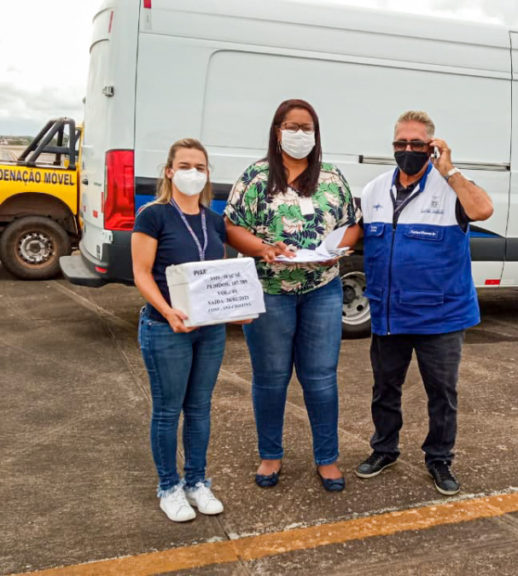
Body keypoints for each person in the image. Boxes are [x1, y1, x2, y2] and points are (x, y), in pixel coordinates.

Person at [225, 99, 361, 492]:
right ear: (277, 130)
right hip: (269, 291)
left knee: (320, 379)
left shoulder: (332, 178)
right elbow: (232, 226)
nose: (299, 134)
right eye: (292, 126)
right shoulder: (255, 177)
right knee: (270, 379)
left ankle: (328, 459)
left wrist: (338, 249)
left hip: (322, 290)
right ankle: (270, 454)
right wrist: (261, 248)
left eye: (307, 127)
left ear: (316, 134)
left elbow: (352, 226)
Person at [355, 111, 494, 496]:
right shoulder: (375, 190)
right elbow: (356, 237)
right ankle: (384, 449)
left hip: (441, 315)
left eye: (417, 144)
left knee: (441, 393)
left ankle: (439, 459)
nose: (408, 150)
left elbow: (483, 210)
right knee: (385, 388)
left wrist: (449, 170)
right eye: (401, 143)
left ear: (432, 146)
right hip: (389, 313)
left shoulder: (451, 188)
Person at [132, 139, 233, 521]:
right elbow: (142, 273)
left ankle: (196, 481)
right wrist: (167, 311)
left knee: (200, 408)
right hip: (165, 328)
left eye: (200, 167)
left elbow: (218, 276)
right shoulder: (153, 215)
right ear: (170, 171)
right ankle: (169, 487)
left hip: (209, 331)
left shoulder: (213, 220)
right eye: (185, 165)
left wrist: (234, 308)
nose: (193, 173)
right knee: (167, 411)